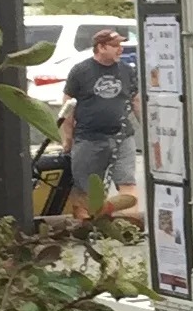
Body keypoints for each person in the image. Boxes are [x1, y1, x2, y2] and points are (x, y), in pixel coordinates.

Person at [59, 26, 138, 209]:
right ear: (101, 47)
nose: (120, 49)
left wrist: (150, 131)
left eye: (121, 45)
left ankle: (130, 228)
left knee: (127, 183)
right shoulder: (81, 71)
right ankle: (88, 229)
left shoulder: (127, 70)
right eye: (115, 45)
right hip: (89, 138)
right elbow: (68, 104)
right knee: (86, 189)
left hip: (122, 136)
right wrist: (68, 138)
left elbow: (136, 100)